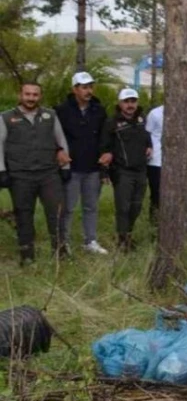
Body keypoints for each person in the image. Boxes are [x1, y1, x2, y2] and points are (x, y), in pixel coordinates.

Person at [0, 82, 72, 265]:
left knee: (56, 213)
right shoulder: (6, 117)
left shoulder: (50, 115)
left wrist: (65, 168)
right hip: (20, 176)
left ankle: (60, 254)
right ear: (20, 95)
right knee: (24, 215)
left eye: (35, 95)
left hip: (48, 174)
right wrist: (1, 171)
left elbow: (61, 140)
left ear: (40, 96)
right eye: (27, 94)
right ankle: (27, 257)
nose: (31, 98)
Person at [55, 71, 109, 254]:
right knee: (68, 207)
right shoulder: (61, 110)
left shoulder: (99, 110)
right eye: (84, 87)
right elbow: (53, 136)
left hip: (93, 167)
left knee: (91, 206)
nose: (88, 91)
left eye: (90, 87)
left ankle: (90, 241)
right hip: (70, 167)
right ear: (75, 89)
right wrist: (58, 151)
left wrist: (106, 152)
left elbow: (105, 136)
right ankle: (64, 242)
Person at [98, 88, 151, 251]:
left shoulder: (142, 119)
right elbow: (104, 149)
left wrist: (150, 146)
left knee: (136, 206)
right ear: (120, 103)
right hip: (122, 171)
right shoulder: (111, 122)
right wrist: (104, 172)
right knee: (123, 207)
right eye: (126, 102)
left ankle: (128, 233)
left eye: (133, 101)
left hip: (141, 170)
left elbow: (147, 137)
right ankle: (123, 240)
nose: (130, 105)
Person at [145, 104, 163, 222]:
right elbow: (147, 133)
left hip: (178, 162)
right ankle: (155, 222)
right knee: (156, 193)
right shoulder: (155, 113)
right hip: (156, 160)